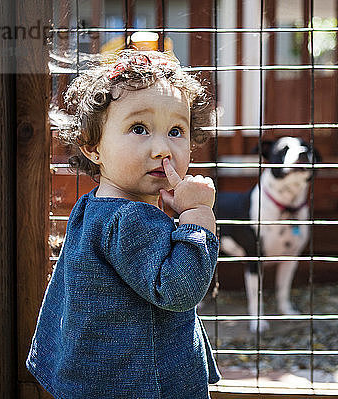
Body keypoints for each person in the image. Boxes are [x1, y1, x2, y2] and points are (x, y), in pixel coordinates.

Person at [26, 49, 221, 398]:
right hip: (138, 386)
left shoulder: (92, 208)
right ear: (92, 146)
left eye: (176, 130)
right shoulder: (130, 218)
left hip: (96, 379)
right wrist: (198, 216)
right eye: (139, 128)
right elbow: (179, 291)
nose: (162, 147)